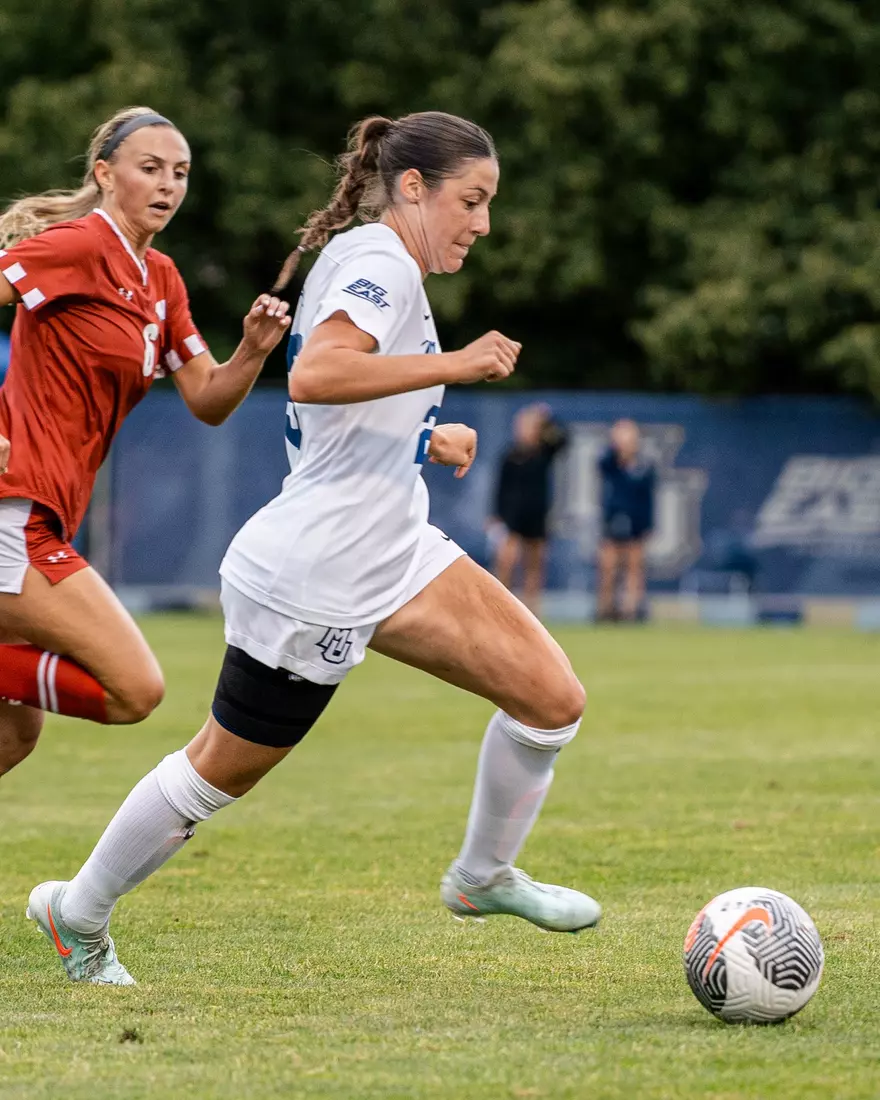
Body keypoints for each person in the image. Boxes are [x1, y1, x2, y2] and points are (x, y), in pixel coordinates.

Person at [27, 110, 600, 986]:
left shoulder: (381, 260)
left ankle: (483, 877)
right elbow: (319, 374)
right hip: (320, 574)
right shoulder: (381, 262)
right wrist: (457, 364)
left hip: (394, 546)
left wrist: (423, 437)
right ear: (414, 188)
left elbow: (342, 417)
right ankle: (78, 912)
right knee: (216, 774)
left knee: (551, 700)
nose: (483, 223)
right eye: (472, 201)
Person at [0, 106, 291, 777]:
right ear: (105, 174)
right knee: (133, 688)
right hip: (15, 511)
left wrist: (252, 351)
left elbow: (208, 398)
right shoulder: (78, 245)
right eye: (151, 168)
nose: (168, 185)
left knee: (13, 736)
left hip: (48, 516)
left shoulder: (160, 277)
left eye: (180, 173)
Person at [490, 402, 568, 616]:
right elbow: (500, 487)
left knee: (534, 564)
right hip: (513, 515)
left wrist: (547, 419)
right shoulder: (511, 455)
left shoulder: (544, 452)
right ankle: (500, 606)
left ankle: (532, 609)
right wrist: (496, 514)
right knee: (506, 560)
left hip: (537, 514)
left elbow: (563, 439)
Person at [595, 419, 656, 621]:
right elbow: (602, 465)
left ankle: (631, 609)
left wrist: (647, 524)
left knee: (634, 567)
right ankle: (605, 609)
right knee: (608, 567)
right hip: (613, 519)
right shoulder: (611, 462)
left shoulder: (643, 466)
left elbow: (647, 498)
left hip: (636, 522)